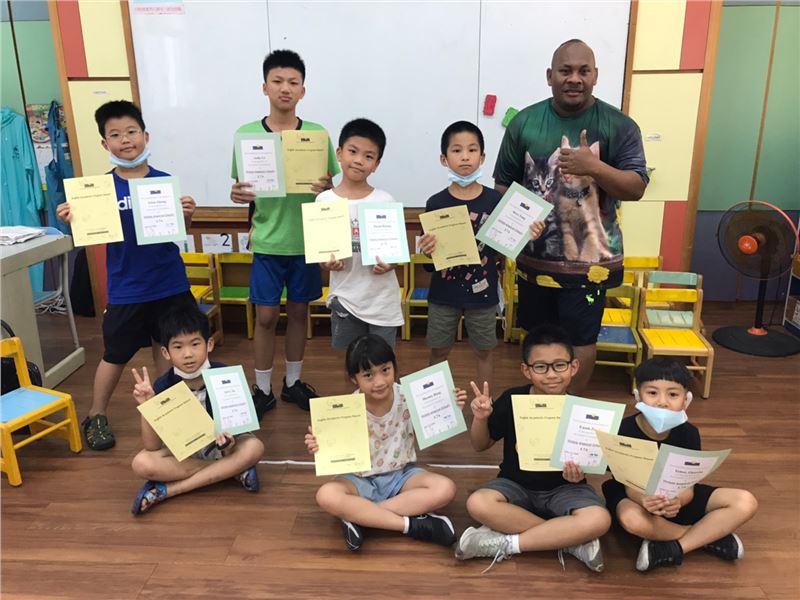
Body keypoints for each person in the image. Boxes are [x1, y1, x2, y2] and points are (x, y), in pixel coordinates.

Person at [493, 39, 649, 393]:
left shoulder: (620, 125)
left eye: (583, 71)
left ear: (595, 75)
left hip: (589, 265)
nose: (574, 78)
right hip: (534, 260)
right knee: (537, 340)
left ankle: (568, 411)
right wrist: (506, 239)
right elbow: (503, 185)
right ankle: (541, 411)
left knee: (581, 341)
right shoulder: (524, 123)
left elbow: (636, 187)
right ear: (550, 76)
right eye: (565, 71)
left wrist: (594, 167)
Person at [56, 100, 196, 451]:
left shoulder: (163, 183)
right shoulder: (99, 191)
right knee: (115, 355)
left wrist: (188, 215)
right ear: (105, 144)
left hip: (169, 284)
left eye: (132, 132)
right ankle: (96, 414)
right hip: (126, 289)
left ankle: (170, 412)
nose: (126, 140)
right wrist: (72, 219)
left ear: (146, 136)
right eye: (115, 135)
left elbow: (179, 230)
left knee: (169, 350)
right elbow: (87, 233)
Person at [230, 49, 340, 412]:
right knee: (265, 316)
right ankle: (262, 388)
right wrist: (236, 194)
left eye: (293, 82)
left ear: (303, 90)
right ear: (264, 87)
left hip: (306, 241)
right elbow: (240, 189)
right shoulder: (246, 135)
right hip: (267, 240)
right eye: (277, 81)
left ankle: (293, 383)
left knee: (298, 313)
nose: (285, 88)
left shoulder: (318, 135)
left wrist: (326, 188)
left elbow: (331, 188)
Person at [455, 324, 610, 572]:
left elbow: (595, 461)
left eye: (559, 365)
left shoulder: (584, 411)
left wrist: (580, 472)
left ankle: (509, 543)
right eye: (540, 367)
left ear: (574, 367)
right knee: (478, 503)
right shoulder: (512, 399)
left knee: (599, 519)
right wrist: (480, 418)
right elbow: (480, 444)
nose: (551, 374)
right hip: (515, 485)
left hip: (566, 488)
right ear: (526, 370)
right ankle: (569, 540)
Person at [304, 334, 464, 551]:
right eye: (368, 375)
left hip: (401, 476)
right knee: (326, 495)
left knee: (445, 488)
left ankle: (362, 517)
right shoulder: (345, 409)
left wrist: (449, 406)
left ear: (394, 367)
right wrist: (318, 446)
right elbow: (333, 452)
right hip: (359, 479)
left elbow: (434, 425)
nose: (379, 382)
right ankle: (411, 525)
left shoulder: (409, 395)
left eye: (385, 370)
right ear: (354, 379)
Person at [419, 121, 544, 388]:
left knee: (485, 351)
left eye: (472, 150)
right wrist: (427, 250)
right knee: (439, 350)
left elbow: (502, 248)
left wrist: (525, 236)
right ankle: (435, 404)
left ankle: (485, 403)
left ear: (482, 157)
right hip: (444, 292)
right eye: (457, 150)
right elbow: (431, 259)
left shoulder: (495, 201)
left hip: (484, 292)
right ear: (444, 159)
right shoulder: (435, 203)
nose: (465, 156)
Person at [602, 357, 758, 571]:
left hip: (676, 495)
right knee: (632, 520)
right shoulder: (621, 430)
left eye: (673, 394)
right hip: (635, 497)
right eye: (652, 393)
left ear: (686, 400)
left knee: (745, 501)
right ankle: (709, 535)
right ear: (638, 396)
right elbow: (628, 485)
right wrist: (645, 500)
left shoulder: (688, 433)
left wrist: (678, 500)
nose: (662, 402)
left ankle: (674, 547)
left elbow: (688, 484)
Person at [129, 306, 264, 515]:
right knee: (141, 463)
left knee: (254, 447)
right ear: (165, 352)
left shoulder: (226, 376)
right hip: (186, 453)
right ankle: (232, 471)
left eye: (195, 344)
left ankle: (169, 490)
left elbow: (237, 432)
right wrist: (146, 406)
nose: (188, 354)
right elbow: (152, 446)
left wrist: (229, 445)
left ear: (209, 344)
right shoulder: (163, 385)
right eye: (178, 347)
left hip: (222, 447)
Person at [317, 118, 404, 350]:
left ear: (376, 164)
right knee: (351, 362)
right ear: (339, 153)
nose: (358, 160)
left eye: (368, 156)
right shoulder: (324, 201)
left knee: (382, 362)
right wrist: (327, 263)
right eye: (353, 151)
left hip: (382, 302)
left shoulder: (385, 200)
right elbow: (321, 257)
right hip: (345, 300)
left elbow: (395, 256)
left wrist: (390, 264)